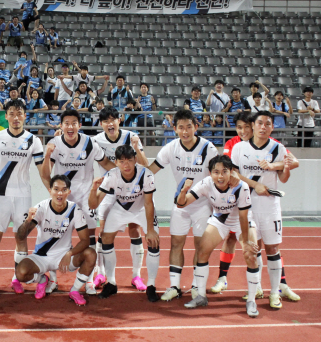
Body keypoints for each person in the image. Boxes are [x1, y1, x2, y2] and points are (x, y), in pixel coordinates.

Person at [0, 100, 49, 295]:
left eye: (19, 113)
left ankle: (16, 278)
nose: (16, 117)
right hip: (0, 195)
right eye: (12, 113)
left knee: (21, 237)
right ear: (6, 116)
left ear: (25, 116)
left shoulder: (34, 140)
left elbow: (42, 171)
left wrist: (54, 189)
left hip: (23, 196)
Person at [174, 155, 260, 317]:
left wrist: (247, 241)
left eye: (224, 172)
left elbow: (243, 216)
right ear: (210, 173)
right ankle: (201, 296)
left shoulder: (241, 186)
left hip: (242, 221)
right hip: (220, 219)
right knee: (202, 252)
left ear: (231, 172)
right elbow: (181, 203)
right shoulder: (206, 183)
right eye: (216, 172)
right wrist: (184, 191)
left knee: (250, 254)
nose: (220, 176)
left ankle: (252, 300)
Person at [40, 110, 115, 294]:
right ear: (61, 125)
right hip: (62, 196)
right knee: (53, 236)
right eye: (66, 123)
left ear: (79, 126)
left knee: (89, 238)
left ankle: (88, 281)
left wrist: (125, 174)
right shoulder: (54, 144)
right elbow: (44, 174)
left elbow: (105, 163)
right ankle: (53, 281)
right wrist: (47, 156)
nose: (70, 126)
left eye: (74, 123)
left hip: (85, 198)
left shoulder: (90, 143)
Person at [148, 109, 218, 302]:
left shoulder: (208, 148)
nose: (185, 131)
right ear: (174, 128)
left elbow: (217, 175)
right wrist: (131, 180)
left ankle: (196, 286)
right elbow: (151, 170)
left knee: (200, 247)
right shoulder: (170, 148)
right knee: (176, 244)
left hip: (203, 205)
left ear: (196, 126)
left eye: (189, 126)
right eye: (181, 127)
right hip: (180, 205)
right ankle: (174, 286)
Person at [231, 111, 291, 310]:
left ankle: (275, 293)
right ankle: (256, 288)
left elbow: (283, 179)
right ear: (253, 125)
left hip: (270, 205)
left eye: (268, 124)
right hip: (247, 205)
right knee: (253, 248)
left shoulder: (278, 148)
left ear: (272, 127)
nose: (263, 127)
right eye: (260, 123)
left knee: (273, 249)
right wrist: (253, 185)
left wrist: (284, 167)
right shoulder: (239, 148)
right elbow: (234, 174)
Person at [88, 145, 160, 301]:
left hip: (141, 208)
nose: (126, 165)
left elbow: (148, 203)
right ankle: (112, 283)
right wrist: (93, 190)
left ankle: (152, 285)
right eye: (122, 161)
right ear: (116, 162)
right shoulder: (112, 175)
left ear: (135, 160)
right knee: (106, 238)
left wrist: (150, 229)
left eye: (129, 160)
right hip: (120, 208)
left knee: (153, 241)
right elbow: (93, 205)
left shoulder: (146, 175)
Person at [15, 175, 97, 304]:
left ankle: (74, 290)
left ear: (69, 192)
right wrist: (27, 220)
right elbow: (20, 236)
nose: (60, 193)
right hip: (41, 256)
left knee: (91, 254)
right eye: (56, 189)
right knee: (21, 273)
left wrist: (70, 253)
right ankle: (43, 280)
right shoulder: (41, 207)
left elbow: (85, 240)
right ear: (50, 190)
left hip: (64, 255)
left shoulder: (75, 209)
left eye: (64, 190)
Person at [92, 107, 148, 289]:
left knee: (134, 230)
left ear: (119, 120)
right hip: (109, 191)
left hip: (132, 193)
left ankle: (136, 276)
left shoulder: (131, 137)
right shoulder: (96, 141)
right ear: (101, 124)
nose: (110, 123)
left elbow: (145, 165)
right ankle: (100, 274)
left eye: (113, 119)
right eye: (106, 121)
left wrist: (137, 148)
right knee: (104, 233)